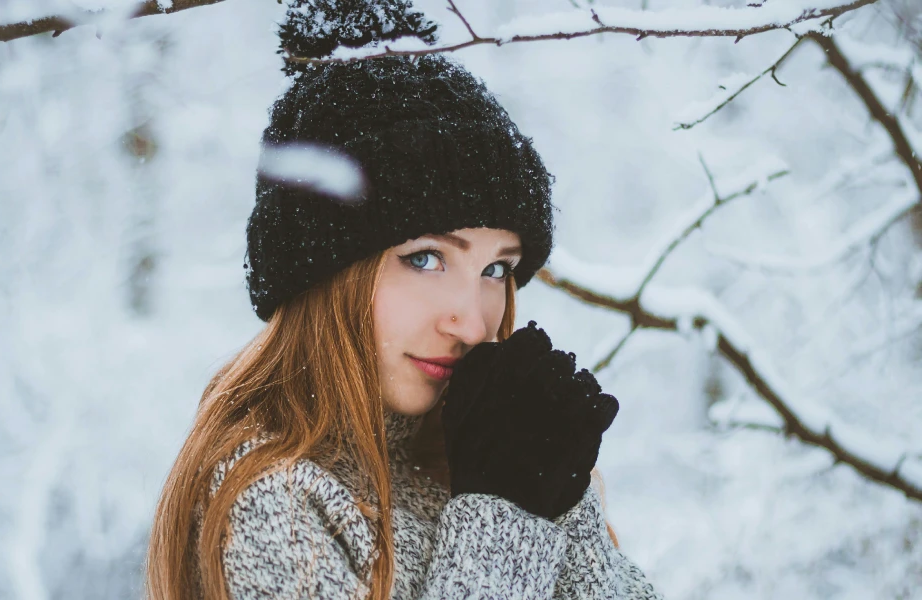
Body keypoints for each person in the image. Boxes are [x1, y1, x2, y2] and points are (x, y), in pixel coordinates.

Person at [145, 1, 665, 598]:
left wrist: (556, 493)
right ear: (326, 272)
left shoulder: (486, 454)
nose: (472, 323)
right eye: (425, 258)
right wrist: (504, 522)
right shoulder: (279, 503)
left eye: (497, 269)